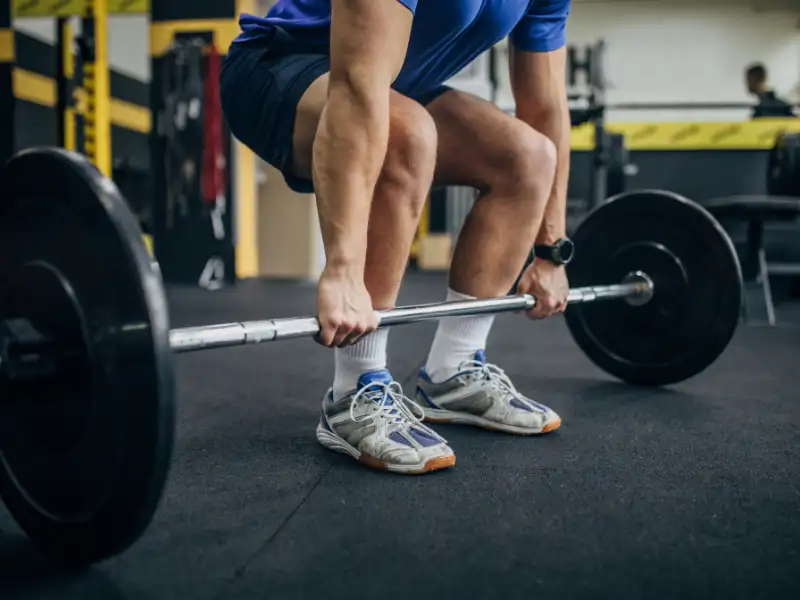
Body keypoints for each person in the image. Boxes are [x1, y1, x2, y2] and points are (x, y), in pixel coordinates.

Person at [220, 0, 572, 474]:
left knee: (528, 158)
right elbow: (357, 86)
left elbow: (545, 104)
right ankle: (356, 390)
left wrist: (552, 252)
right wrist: (342, 269)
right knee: (407, 134)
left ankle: (456, 371)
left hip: (395, 88)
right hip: (278, 69)